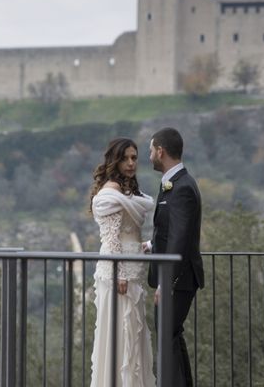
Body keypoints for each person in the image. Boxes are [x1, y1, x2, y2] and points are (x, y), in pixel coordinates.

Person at [89, 137, 156, 387]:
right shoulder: (111, 193)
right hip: (119, 273)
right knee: (121, 333)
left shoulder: (126, 191)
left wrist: (141, 248)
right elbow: (111, 239)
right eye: (125, 158)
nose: (130, 163)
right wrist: (120, 274)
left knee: (134, 333)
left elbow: (129, 235)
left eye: (134, 158)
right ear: (114, 161)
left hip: (132, 270)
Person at [143, 127, 204, 387]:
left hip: (177, 280)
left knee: (167, 337)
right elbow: (171, 230)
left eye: (149, 151)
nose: (149, 157)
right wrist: (152, 244)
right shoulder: (176, 184)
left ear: (161, 151)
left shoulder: (181, 188)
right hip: (175, 278)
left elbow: (180, 238)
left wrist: (166, 282)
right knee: (171, 335)